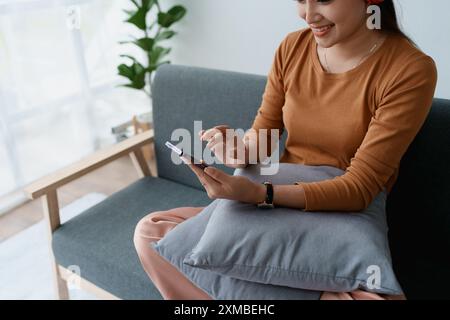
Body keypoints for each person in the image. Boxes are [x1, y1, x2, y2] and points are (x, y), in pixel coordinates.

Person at [134, 0, 437, 300]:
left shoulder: (409, 69)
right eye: (301, 0)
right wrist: (237, 150)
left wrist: (260, 194)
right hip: (277, 203)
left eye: (324, 0)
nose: (308, 15)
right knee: (150, 233)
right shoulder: (292, 48)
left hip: (340, 211)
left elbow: (359, 188)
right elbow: (263, 138)